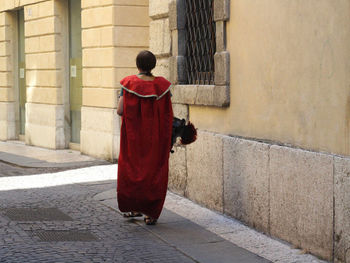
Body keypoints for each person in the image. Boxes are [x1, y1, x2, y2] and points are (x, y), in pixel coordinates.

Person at [116, 50, 173, 225]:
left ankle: (134, 207)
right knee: (154, 171)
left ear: (137, 65)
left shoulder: (128, 84)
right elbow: (168, 112)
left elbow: (120, 110)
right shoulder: (163, 86)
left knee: (133, 170)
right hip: (156, 137)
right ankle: (151, 213)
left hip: (134, 137)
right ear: (153, 65)